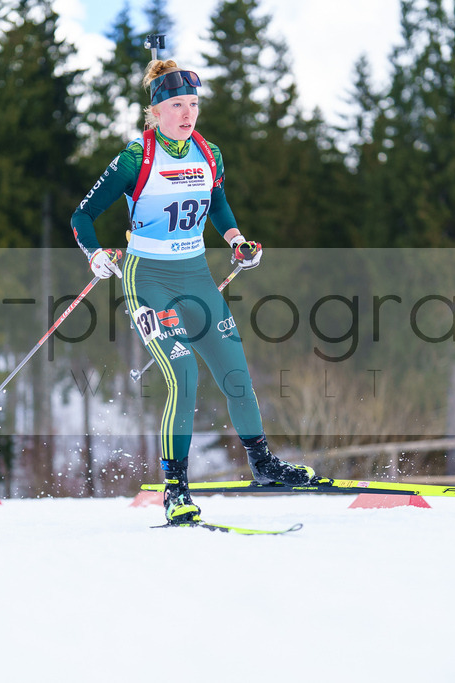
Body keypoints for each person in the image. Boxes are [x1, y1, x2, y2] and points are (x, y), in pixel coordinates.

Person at [70, 59, 315, 524]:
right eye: (177, 105)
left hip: (197, 276)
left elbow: (217, 201)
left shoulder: (209, 152)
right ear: (155, 110)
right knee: (183, 375)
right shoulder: (134, 157)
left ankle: (263, 466)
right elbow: (82, 215)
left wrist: (237, 241)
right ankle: (175, 489)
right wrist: (94, 254)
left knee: (236, 375)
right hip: (148, 280)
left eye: (194, 104)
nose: (187, 113)